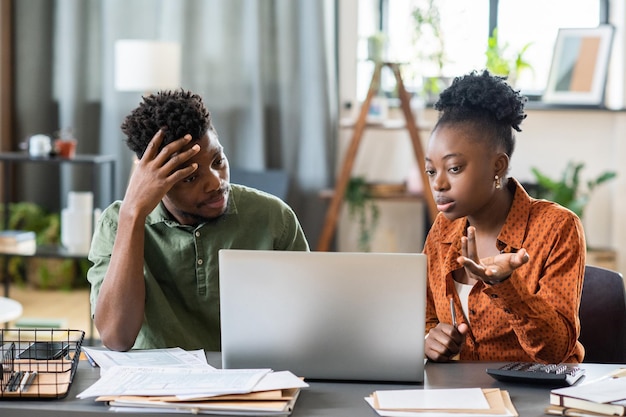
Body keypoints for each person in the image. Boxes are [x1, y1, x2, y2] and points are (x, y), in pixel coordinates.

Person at [87, 90, 309, 352]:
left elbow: (307, 324)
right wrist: (133, 214)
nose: (216, 182)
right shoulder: (116, 224)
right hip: (156, 386)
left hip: (250, 379)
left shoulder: (274, 218)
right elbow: (116, 338)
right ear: (154, 180)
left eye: (218, 160)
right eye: (190, 177)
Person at [423, 70, 585, 363]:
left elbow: (556, 351)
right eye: (432, 171)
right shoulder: (442, 231)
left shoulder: (557, 228)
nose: (439, 184)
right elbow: (425, 318)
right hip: (460, 398)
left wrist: (506, 287)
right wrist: (431, 338)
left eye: (454, 168)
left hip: (535, 398)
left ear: (498, 166)